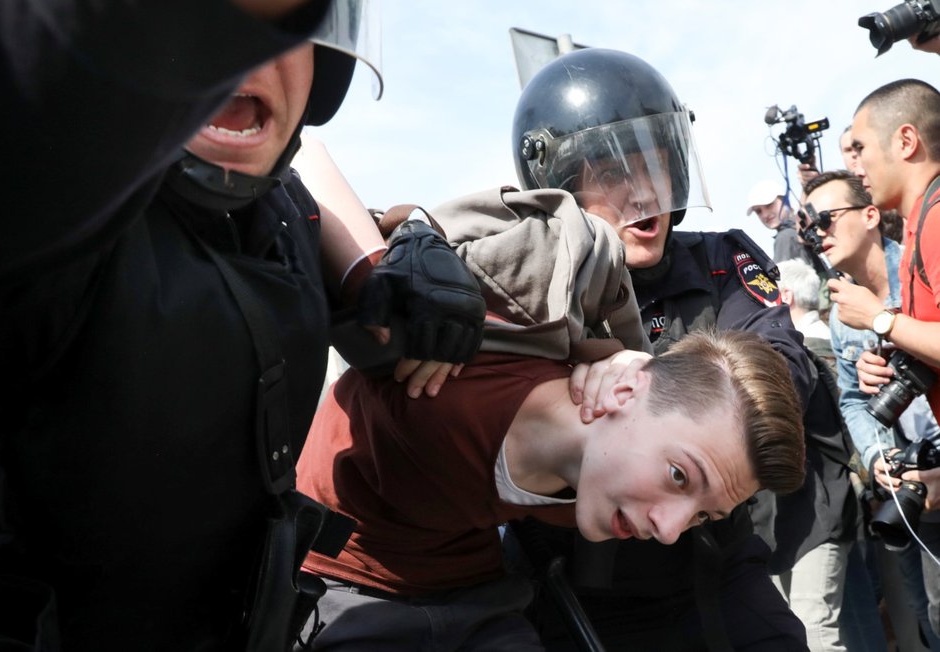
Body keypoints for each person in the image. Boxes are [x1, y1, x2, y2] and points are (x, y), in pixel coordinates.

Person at [0, 2, 487, 650]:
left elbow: (383, 335)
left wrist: (412, 246)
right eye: (207, 26)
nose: (242, 56)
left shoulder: (285, 221)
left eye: (286, 37)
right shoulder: (52, 219)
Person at [508, 46, 859, 651]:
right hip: (565, 586)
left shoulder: (721, 259)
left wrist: (662, 386)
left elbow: (784, 366)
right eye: (614, 173)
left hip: (711, 567)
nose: (643, 194)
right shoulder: (526, 281)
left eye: (655, 167)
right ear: (559, 185)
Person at [296, 326, 805, 650]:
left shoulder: (610, 473)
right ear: (625, 391)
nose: (670, 531)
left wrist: (625, 351)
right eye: (679, 477)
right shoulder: (434, 390)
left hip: (475, 592)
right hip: (339, 582)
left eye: (703, 516)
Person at [809, 163, 940, 645]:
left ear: (869, 215)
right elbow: (850, 400)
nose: (816, 232)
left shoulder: (924, 266)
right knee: (925, 615)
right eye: (807, 224)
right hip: (903, 492)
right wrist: (874, 458)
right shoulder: (843, 314)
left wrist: (889, 329)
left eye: (825, 218)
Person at [746, 179, 810, 263]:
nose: (765, 215)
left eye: (769, 205)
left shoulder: (786, 236)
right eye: (758, 211)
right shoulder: (805, 227)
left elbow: (782, 275)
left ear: (786, 200)